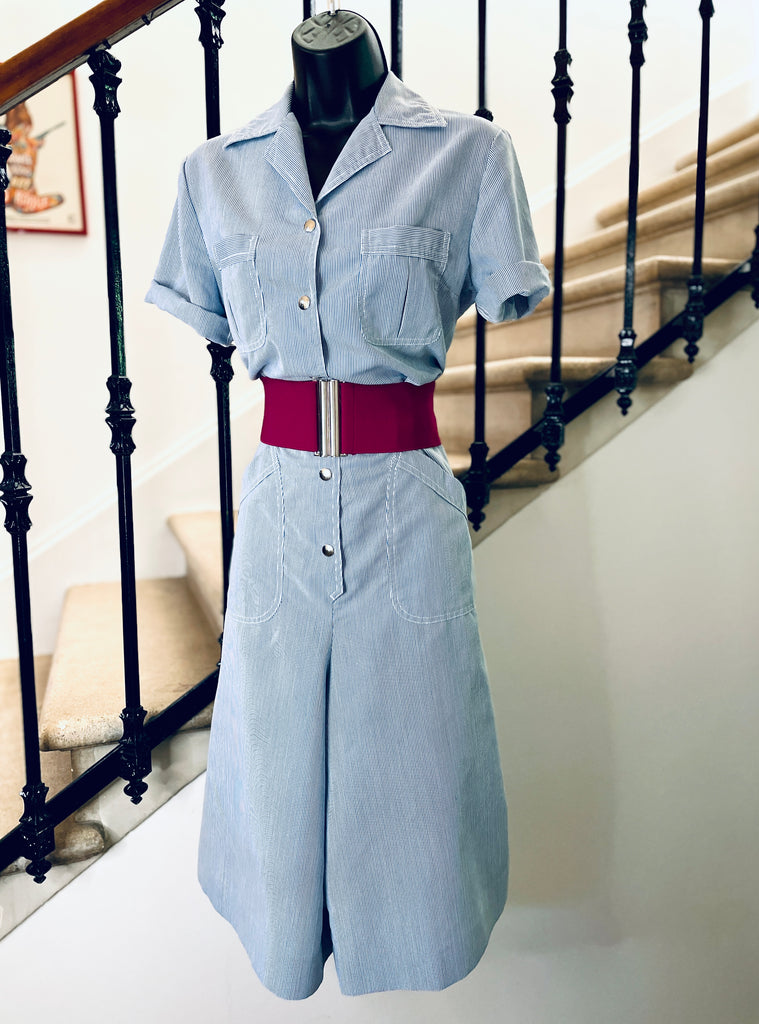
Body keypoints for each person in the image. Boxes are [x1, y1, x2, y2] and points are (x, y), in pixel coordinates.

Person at [146, 6, 550, 1001]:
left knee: (417, 742)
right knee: (273, 742)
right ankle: (287, 936)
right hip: (280, 504)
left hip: (402, 499)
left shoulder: (468, 156)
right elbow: (211, 312)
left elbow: (505, 288)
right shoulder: (214, 174)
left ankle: (419, 936)